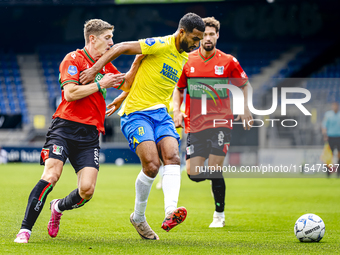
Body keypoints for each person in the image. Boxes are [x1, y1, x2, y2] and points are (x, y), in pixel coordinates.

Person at [14, 19, 143, 243]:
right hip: (64, 127)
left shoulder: (106, 63)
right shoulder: (73, 59)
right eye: (107, 38)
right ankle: (25, 230)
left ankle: (58, 207)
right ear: (92, 38)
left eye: (112, 38)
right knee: (51, 175)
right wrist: (102, 84)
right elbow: (70, 94)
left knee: (87, 191)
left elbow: (126, 84)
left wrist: (139, 59)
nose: (112, 42)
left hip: (90, 134)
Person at [80, 13, 205, 240]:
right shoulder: (160, 44)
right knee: (152, 165)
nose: (197, 44)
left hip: (162, 114)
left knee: (173, 157)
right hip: (136, 114)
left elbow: (148, 76)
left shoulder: (185, 57)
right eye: (195, 38)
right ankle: (138, 217)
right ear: (182, 32)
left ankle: (170, 212)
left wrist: (122, 95)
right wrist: (94, 69)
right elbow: (119, 47)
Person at [173, 17, 253, 228]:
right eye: (204, 35)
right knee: (193, 174)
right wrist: (176, 110)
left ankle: (219, 214)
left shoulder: (228, 61)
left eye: (211, 34)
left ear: (217, 35)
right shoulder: (187, 60)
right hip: (194, 125)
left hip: (220, 123)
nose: (207, 38)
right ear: (198, 36)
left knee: (215, 169)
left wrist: (244, 108)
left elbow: (244, 85)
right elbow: (178, 89)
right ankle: (217, 181)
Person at [322, 102, 340, 177]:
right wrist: (325, 135)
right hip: (331, 137)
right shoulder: (328, 114)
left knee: (339, 156)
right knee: (329, 156)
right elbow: (324, 125)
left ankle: (338, 174)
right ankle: (328, 173)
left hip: (339, 137)